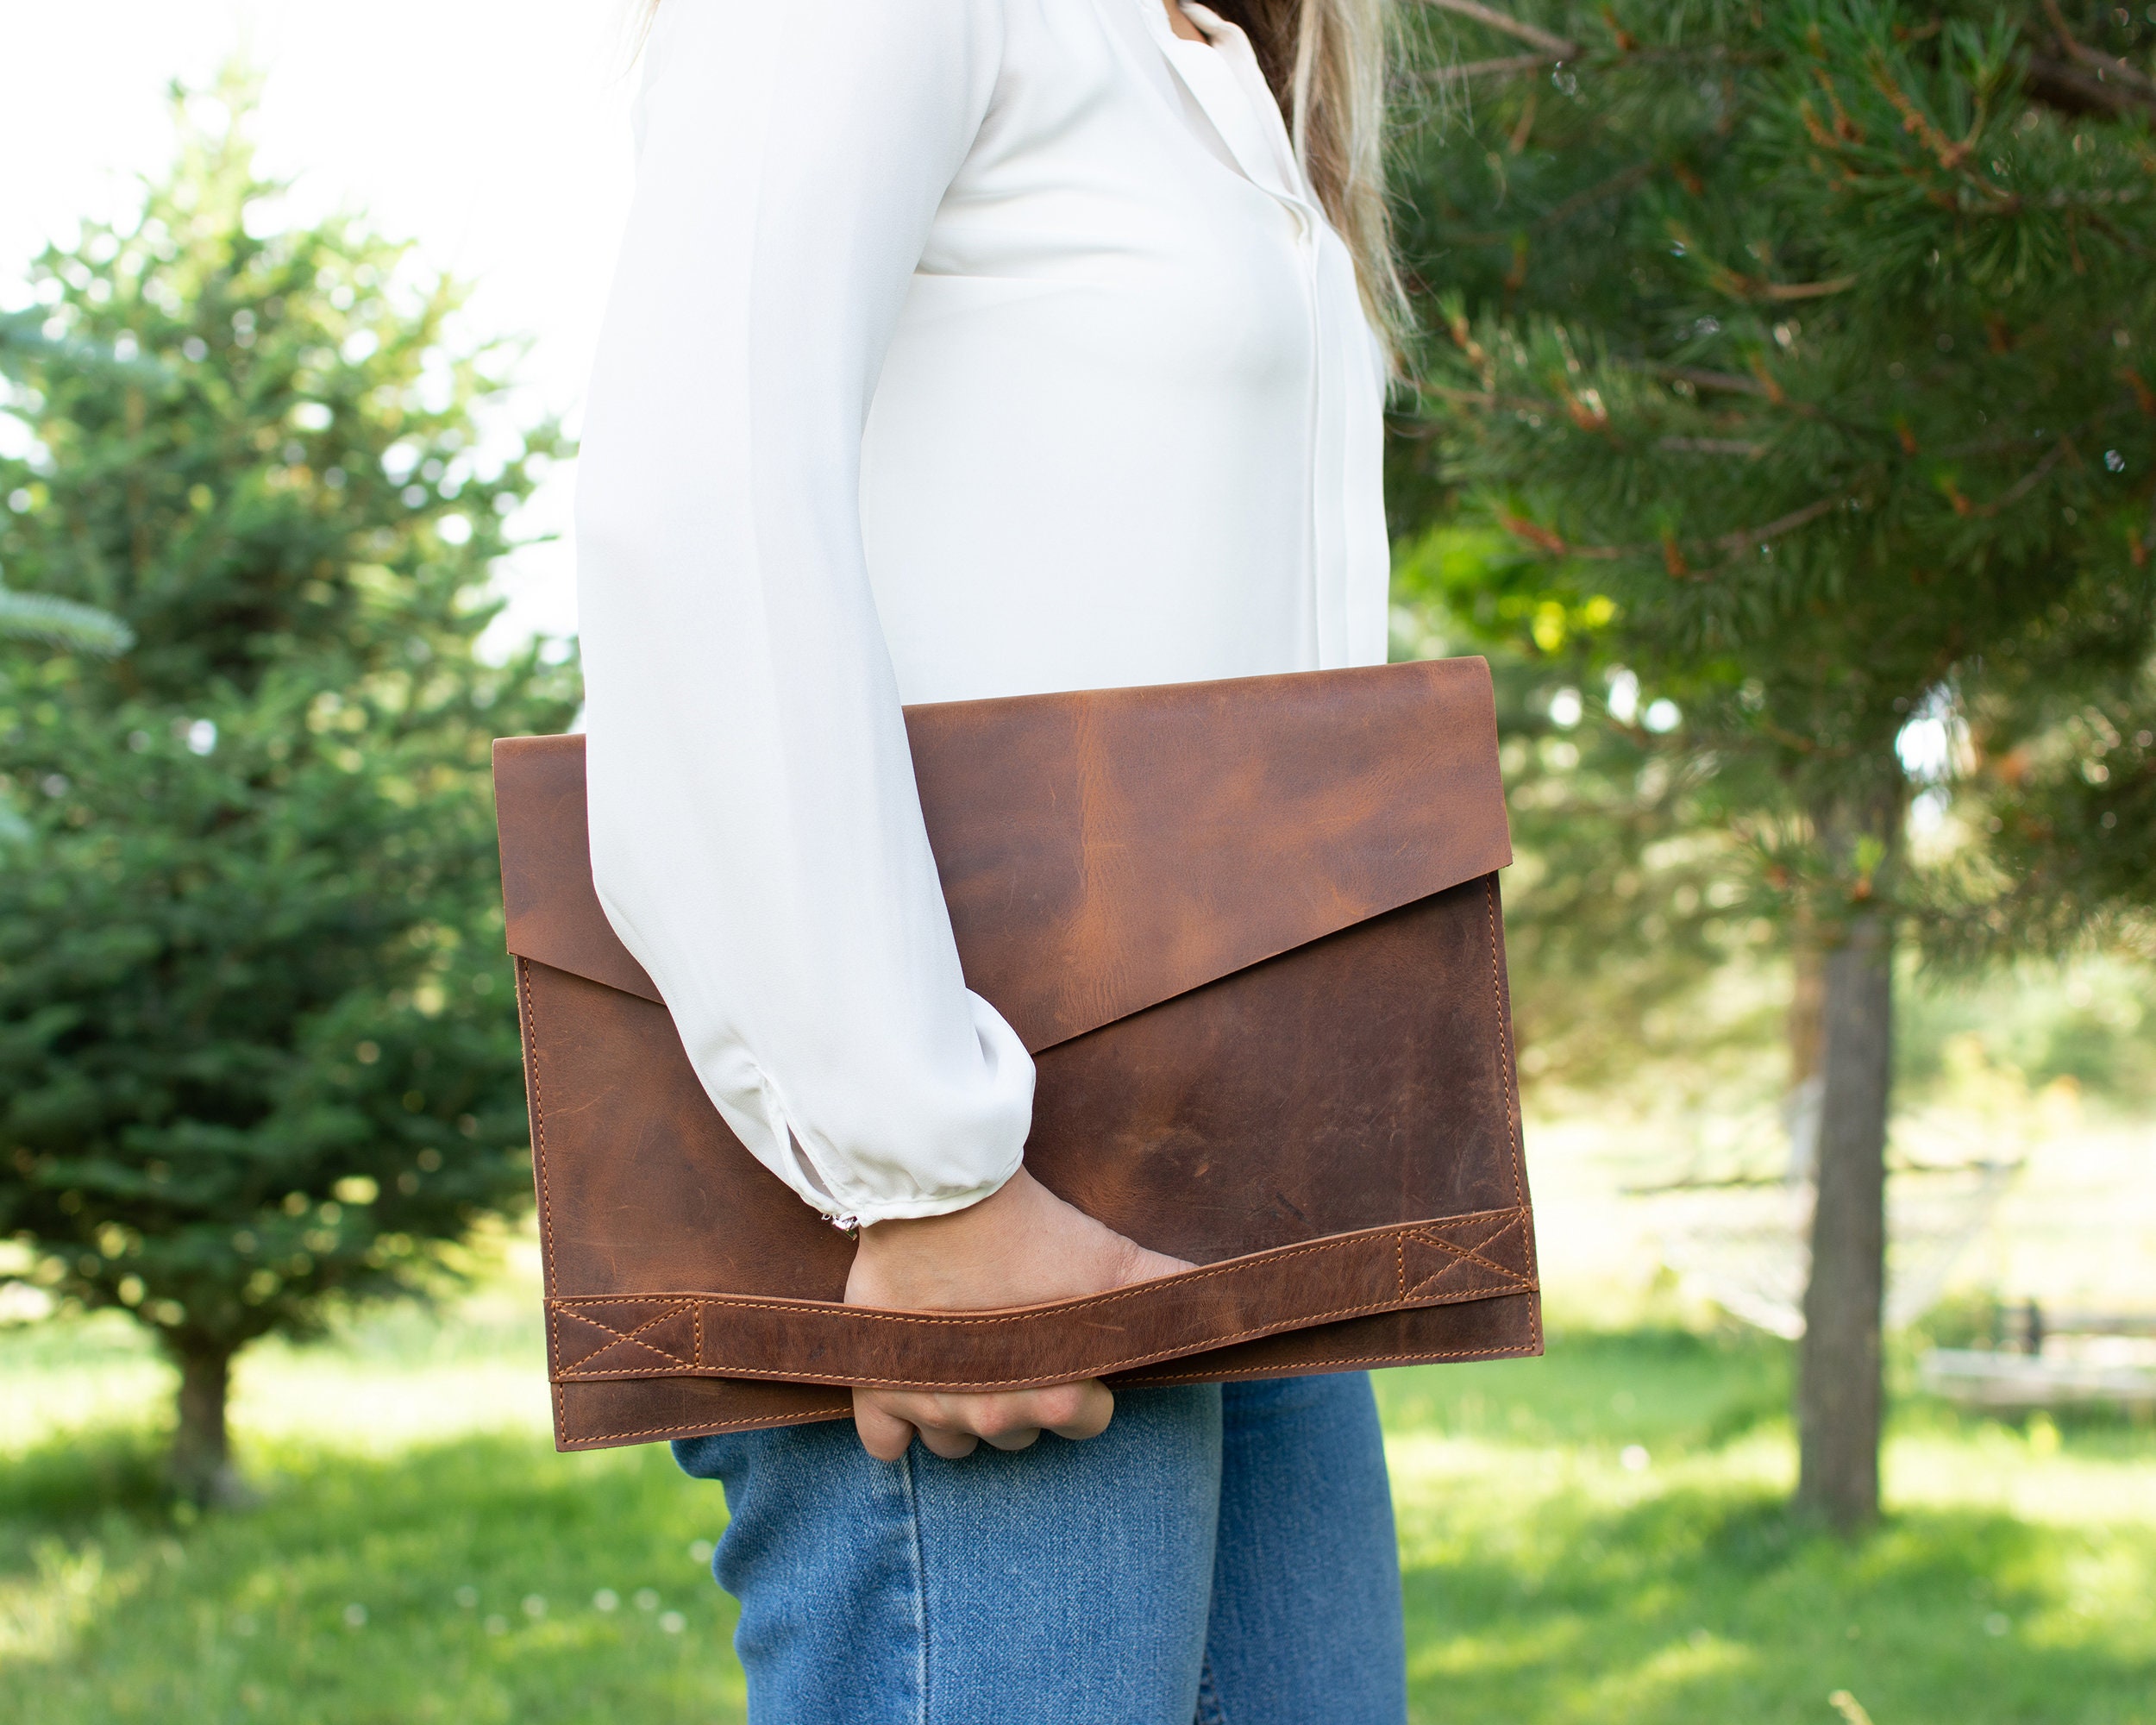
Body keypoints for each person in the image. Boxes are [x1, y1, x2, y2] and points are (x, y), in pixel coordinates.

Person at [574, 0, 1407, 1717]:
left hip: (1233, 1172)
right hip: (972, 1183)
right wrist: (921, 1168)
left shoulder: (1216, 58)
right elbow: (699, 500)